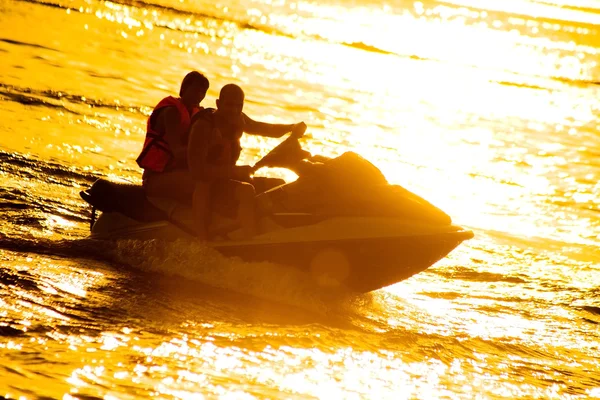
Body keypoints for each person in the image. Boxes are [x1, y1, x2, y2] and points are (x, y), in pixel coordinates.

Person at [138, 74, 306, 239]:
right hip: (168, 176)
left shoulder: (238, 119)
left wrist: (291, 127)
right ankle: (203, 237)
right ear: (219, 103)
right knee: (207, 184)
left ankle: (275, 232)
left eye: (238, 106)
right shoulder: (202, 124)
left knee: (276, 185)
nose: (233, 110)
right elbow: (198, 171)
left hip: (207, 173)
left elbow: (261, 128)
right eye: (229, 105)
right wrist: (230, 168)